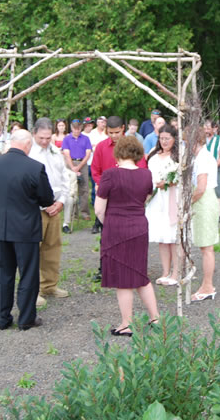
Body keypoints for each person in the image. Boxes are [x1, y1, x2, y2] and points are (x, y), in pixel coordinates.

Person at [0, 130, 54, 331]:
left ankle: (2, 319)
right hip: (25, 229)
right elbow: (46, 199)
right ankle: (26, 318)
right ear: (28, 145)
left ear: (11, 143)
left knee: (3, 275)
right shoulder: (34, 168)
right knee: (28, 274)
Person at [94, 136, 158, 336]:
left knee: (122, 279)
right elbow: (145, 199)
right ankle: (155, 318)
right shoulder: (147, 175)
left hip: (117, 228)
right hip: (139, 226)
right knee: (140, 274)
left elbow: (98, 209)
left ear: (118, 152)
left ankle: (126, 323)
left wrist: (111, 223)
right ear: (137, 154)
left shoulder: (110, 175)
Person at [29, 118, 73, 307]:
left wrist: (61, 201)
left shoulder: (56, 152)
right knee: (33, 249)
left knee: (53, 246)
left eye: (48, 137)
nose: (45, 141)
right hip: (36, 208)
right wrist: (43, 204)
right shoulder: (29, 153)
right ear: (34, 134)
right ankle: (33, 289)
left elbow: (64, 177)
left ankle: (49, 285)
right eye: (41, 138)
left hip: (55, 206)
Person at [145, 125, 180, 285]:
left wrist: (169, 182)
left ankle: (176, 272)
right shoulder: (153, 155)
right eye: (162, 138)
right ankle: (165, 271)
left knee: (173, 236)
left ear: (174, 139)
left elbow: (183, 177)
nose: (164, 142)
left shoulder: (178, 156)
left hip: (172, 197)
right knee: (162, 236)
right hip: (157, 198)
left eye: (168, 139)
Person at [191, 131, 220, 302]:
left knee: (206, 247)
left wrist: (189, 201)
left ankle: (208, 286)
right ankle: (206, 285)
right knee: (205, 246)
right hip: (206, 199)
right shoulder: (202, 156)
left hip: (205, 200)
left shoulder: (203, 158)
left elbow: (201, 187)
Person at [61, 119, 93, 222]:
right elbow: (66, 153)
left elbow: (88, 153)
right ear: (71, 128)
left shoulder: (86, 138)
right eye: (75, 128)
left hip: (82, 164)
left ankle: (85, 213)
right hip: (70, 163)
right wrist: (72, 167)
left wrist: (79, 167)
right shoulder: (67, 139)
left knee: (84, 189)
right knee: (71, 189)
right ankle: (73, 213)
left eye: (78, 128)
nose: (77, 130)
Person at [204, 120, 220, 219]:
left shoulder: (219, 140)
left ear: (213, 128)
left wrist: (214, 166)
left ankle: (219, 214)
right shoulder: (201, 139)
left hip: (216, 168)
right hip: (203, 169)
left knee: (218, 190)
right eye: (205, 128)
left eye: (208, 128)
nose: (206, 130)